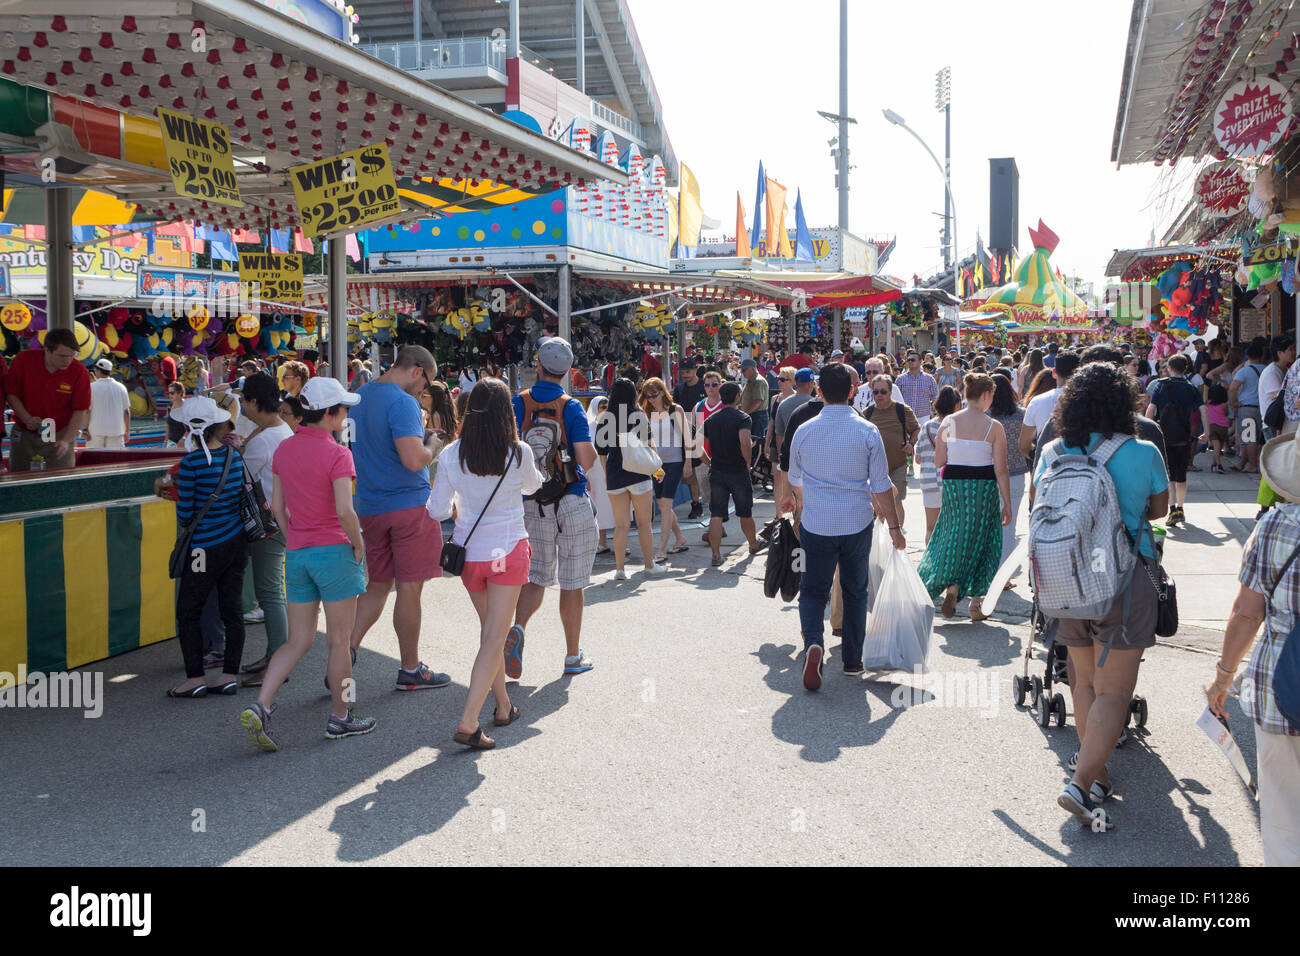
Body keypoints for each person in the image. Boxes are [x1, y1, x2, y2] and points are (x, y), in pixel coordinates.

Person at [1036, 363, 1168, 831]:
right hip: (1123, 577)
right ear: (1123, 401)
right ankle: (1079, 780)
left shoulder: (1053, 451)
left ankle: (1097, 777)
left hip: (1065, 579)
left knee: (1084, 683)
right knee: (1116, 690)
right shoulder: (1143, 451)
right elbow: (1160, 510)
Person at [240, 377, 372, 750]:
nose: (346, 414)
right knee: (339, 641)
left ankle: (261, 705)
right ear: (329, 414)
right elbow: (346, 511)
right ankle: (341, 717)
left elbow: (277, 508)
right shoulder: (338, 455)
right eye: (343, 409)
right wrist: (358, 545)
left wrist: (294, 534)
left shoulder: (285, 449)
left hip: (297, 553)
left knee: (297, 640)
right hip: (335, 553)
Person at [427, 379, 543, 750]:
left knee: (490, 635)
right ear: (506, 414)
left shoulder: (450, 454)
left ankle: (504, 706)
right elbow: (532, 487)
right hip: (507, 550)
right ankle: (468, 721)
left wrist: (462, 506)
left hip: (470, 555)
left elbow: (436, 510)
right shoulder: (518, 452)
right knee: (494, 636)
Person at [1208, 427, 1300, 864]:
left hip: (1282, 684)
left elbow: (1247, 612)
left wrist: (1223, 678)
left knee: (1283, 815)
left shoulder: (1277, 525)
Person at [782, 362, 904, 690]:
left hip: (816, 524)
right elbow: (880, 484)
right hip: (856, 522)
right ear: (852, 391)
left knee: (812, 590)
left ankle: (813, 644)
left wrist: (804, 501)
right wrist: (894, 527)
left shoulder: (805, 431)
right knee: (854, 590)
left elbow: (794, 479)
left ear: (819, 391)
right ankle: (852, 660)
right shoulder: (866, 430)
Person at [347, 345, 451, 691]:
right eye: (426, 384)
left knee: (377, 585)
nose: (423, 393)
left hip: (371, 505)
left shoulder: (357, 398)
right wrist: (433, 445)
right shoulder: (403, 402)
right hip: (408, 505)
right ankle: (410, 668)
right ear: (417, 370)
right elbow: (412, 459)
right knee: (409, 588)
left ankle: (345, 652)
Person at [508, 337, 600, 679]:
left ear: (537, 366)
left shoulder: (519, 403)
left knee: (535, 577)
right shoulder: (571, 406)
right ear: (568, 372)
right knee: (572, 582)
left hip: (532, 501)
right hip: (571, 498)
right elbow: (586, 459)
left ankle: (517, 628)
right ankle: (572, 656)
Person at [166, 395, 248, 698]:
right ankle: (228, 675)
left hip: (202, 549)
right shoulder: (234, 456)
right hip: (236, 544)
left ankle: (195, 678)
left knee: (189, 611)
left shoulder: (190, 464)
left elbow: (186, 514)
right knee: (232, 609)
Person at [917, 374, 1010, 621]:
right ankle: (975, 603)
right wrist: (1007, 503)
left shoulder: (949, 422)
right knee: (982, 540)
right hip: (983, 488)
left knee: (952, 535)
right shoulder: (994, 427)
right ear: (987, 395)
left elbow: (939, 460)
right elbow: (1001, 468)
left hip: (954, 487)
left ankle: (951, 584)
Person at [232, 372, 293, 686]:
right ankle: (273, 655)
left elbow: (239, 476)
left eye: (244, 401)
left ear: (255, 402)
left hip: (269, 524)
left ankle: (277, 663)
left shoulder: (265, 439)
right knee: (273, 592)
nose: (242, 406)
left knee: (270, 594)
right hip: (281, 520)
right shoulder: (279, 429)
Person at [594, 378, 663, 579]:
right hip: (639, 472)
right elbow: (650, 444)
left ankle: (619, 570)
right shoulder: (638, 415)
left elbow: (601, 451)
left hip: (616, 473)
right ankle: (649, 565)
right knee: (644, 523)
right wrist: (658, 469)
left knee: (621, 525)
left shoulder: (605, 417)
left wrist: (607, 474)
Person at [5, 329, 91, 470]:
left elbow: (80, 410)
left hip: (60, 434)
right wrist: (27, 418)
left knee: (60, 481)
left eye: (72, 355)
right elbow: (11, 394)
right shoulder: (24, 361)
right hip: (25, 433)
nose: (68, 361)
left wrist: (66, 440)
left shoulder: (79, 372)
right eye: (62, 356)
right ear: (47, 350)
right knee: (20, 480)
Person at [1146, 353, 1208, 528]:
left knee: (1169, 474)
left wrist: (1147, 427)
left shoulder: (1161, 385)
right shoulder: (1191, 387)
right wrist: (1206, 433)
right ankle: (1180, 508)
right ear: (1186, 368)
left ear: (1170, 368)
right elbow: (1203, 410)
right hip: (1184, 435)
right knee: (1181, 475)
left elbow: (1151, 409)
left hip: (1164, 435)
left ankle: (1172, 508)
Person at [702, 381, 761, 565]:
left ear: (721, 396)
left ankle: (716, 555)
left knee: (716, 514)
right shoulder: (743, 418)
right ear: (737, 397)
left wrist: (709, 462)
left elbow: (695, 447)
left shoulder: (711, 420)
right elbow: (745, 441)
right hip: (737, 471)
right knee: (745, 512)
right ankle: (752, 544)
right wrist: (748, 462)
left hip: (718, 471)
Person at [640, 377, 691, 561]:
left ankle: (661, 549)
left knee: (666, 504)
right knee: (662, 504)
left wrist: (688, 462)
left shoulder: (675, 410)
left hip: (675, 462)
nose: (651, 399)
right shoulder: (647, 412)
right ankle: (680, 537)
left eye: (654, 394)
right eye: (647, 395)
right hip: (656, 464)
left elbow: (687, 437)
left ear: (663, 392)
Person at [862, 374, 920, 529]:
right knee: (878, 504)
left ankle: (897, 534)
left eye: (883, 392)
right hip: (875, 468)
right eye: (876, 392)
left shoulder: (902, 410)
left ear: (890, 392)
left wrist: (911, 443)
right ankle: (881, 537)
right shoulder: (867, 413)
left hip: (898, 464)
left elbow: (916, 429)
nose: (879, 395)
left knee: (895, 500)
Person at [988, 374, 1029, 572]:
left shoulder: (986, 416)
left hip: (991, 474)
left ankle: (992, 566)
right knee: (1009, 524)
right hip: (1017, 473)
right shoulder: (1022, 414)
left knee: (991, 521)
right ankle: (1005, 569)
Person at [1019, 350, 1080, 462]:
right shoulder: (1089, 401)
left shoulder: (1037, 401)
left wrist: (1038, 457)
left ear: (1054, 373)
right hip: (1081, 464)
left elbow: (1024, 445)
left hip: (1047, 464)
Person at [918, 386, 960, 545]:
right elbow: (954, 453)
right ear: (955, 404)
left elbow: (918, 457)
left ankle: (929, 561)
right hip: (947, 480)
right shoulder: (953, 425)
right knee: (949, 526)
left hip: (928, 480)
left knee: (930, 527)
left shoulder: (927, 426)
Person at [673, 359, 708, 520]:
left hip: (707, 433)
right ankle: (696, 503)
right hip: (687, 434)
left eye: (688, 371)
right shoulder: (679, 390)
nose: (685, 375)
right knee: (692, 471)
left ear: (695, 370)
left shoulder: (706, 386)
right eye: (683, 372)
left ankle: (712, 498)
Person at [584, 396, 617, 556]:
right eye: (601, 406)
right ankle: (602, 542)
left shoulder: (614, 425)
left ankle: (620, 543)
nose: (604, 409)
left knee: (618, 507)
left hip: (612, 470)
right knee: (600, 508)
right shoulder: (587, 427)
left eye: (607, 406)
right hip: (595, 473)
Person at [1230, 340, 1268, 475]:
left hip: (1247, 408)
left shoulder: (1244, 371)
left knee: (1249, 438)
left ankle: (1253, 466)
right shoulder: (1267, 369)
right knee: (1254, 438)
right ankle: (1242, 463)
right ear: (1262, 355)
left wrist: (1233, 403)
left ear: (1247, 356)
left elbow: (1233, 388)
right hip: (1263, 408)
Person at [766, 366, 796, 505]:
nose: (780, 382)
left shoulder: (798, 399)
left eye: (783, 379)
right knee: (777, 479)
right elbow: (771, 422)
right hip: (775, 441)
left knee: (794, 480)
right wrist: (766, 443)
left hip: (793, 442)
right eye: (779, 379)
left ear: (792, 381)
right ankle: (778, 515)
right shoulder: (774, 399)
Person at [86, 358, 131, 449]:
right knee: (115, 460)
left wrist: (85, 429)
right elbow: (126, 411)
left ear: (98, 371)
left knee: (95, 460)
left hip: (95, 431)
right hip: (116, 431)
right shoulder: (121, 387)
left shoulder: (91, 388)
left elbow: (87, 411)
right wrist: (127, 430)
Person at [1259, 335, 1295, 442]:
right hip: (1273, 425)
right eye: (1290, 349)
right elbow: (1285, 397)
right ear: (1279, 353)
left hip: (1283, 423)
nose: (1294, 352)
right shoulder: (1271, 373)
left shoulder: (1286, 370)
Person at [896, 352, 940, 432]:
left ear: (920, 362)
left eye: (912, 360)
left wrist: (936, 415)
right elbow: (895, 400)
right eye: (908, 360)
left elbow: (935, 398)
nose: (910, 362)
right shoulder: (900, 379)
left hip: (923, 417)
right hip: (905, 417)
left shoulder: (929, 379)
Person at [738, 358, 770, 453]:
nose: (742, 372)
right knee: (751, 443)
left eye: (744, 370)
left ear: (752, 369)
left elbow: (758, 401)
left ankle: (756, 465)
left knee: (756, 444)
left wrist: (744, 413)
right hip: (753, 415)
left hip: (758, 416)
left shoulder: (758, 381)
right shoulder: (751, 380)